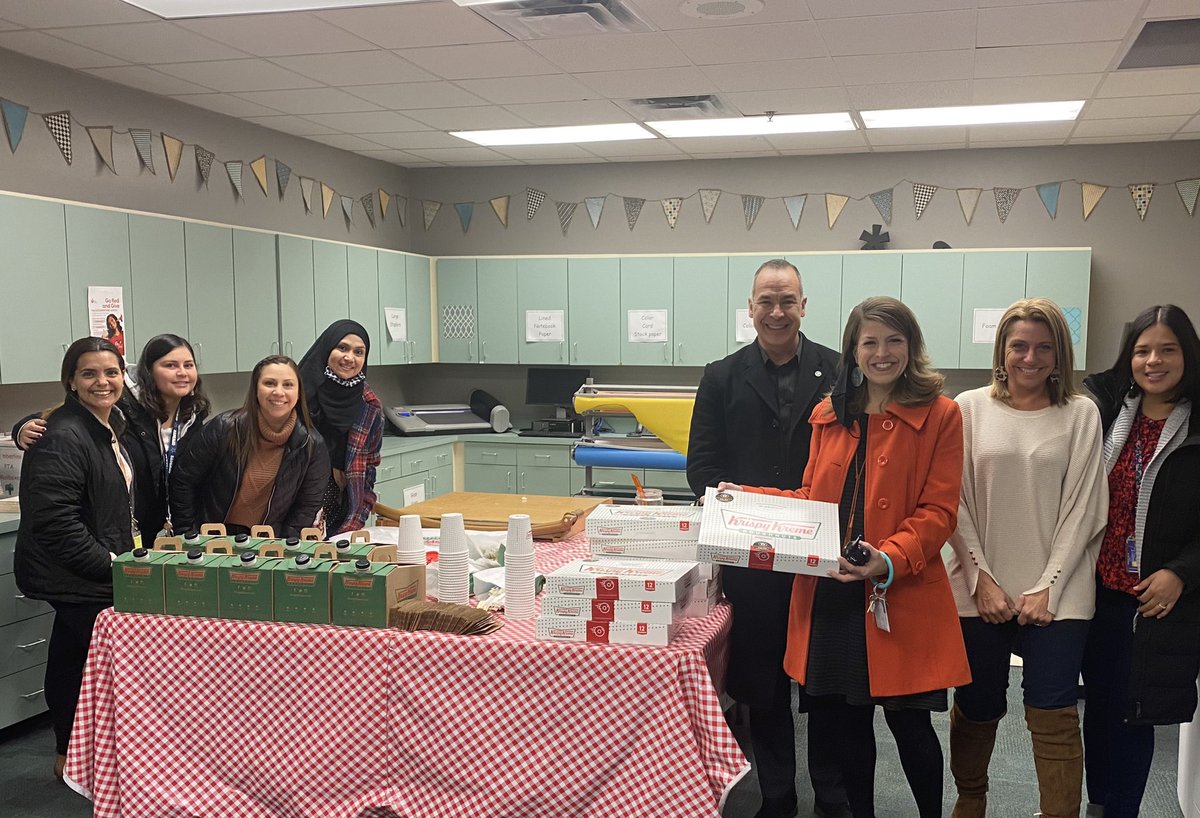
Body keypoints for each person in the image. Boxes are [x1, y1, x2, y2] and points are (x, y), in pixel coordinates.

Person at [722, 296, 969, 818]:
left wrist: (888, 558)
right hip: (832, 593)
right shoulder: (828, 416)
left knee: (911, 728)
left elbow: (939, 511)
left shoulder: (942, 414)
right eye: (870, 342)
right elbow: (811, 502)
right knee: (845, 727)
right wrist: (742, 499)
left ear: (912, 346)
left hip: (897, 594)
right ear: (853, 352)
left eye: (894, 340)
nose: (882, 353)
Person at [687, 258, 842, 818]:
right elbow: (702, 469)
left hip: (822, 555)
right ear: (750, 309)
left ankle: (832, 795)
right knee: (765, 685)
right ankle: (777, 796)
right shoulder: (721, 375)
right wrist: (757, 515)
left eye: (787, 300)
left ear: (804, 306)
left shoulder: (841, 371)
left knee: (826, 684)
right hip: (752, 558)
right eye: (766, 301)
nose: (777, 312)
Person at [945, 297, 1108, 818]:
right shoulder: (967, 408)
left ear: (1060, 356)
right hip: (979, 590)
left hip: (1059, 594)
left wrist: (1049, 586)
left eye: (1044, 347)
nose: (1030, 358)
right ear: (1002, 350)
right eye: (1019, 346)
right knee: (976, 705)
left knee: (1054, 707)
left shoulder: (1081, 414)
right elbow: (953, 501)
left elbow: (1084, 509)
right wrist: (982, 580)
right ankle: (971, 801)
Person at [1081, 305, 1200, 818]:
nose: (1153, 361)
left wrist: (1183, 572)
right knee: (1099, 707)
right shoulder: (1107, 412)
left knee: (1136, 713)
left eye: (1167, 350)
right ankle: (1100, 802)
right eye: (1143, 350)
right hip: (1097, 590)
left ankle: (1122, 810)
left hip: (1157, 599)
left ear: (1187, 355)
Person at [14, 338, 136, 780]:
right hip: (76, 571)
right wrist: (110, 565)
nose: (102, 382)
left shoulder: (107, 422)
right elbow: (55, 522)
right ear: (71, 380)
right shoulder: (65, 434)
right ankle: (77, 756)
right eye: (89, 373)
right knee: (81, 665)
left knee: (73, 655)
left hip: (94, 565)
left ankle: (70, 754)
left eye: (111, 372)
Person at [13, 334, 211, 547]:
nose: (181, 373)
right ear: (149, 371)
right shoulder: (122, 407)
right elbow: (65, 418)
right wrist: (22, 427)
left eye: (188, 365)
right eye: (170, 365)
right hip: (116, 530)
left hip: (164, 528)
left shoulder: (194, 415)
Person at [169, 355, 329, 538]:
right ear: (255, 389)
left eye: (288, 385)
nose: (278, 392)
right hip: (211, 540)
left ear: (299, 391)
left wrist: (284, 549)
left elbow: (306, 508)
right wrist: (188, 535)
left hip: (269, 544)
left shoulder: (312, 445)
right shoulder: (223, 428)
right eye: (269, 383)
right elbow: (183, 481)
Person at [297, 320, 384, 535]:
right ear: (327, 349)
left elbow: (370, 468)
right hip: (294, 514)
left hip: (343, 515)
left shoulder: (370, 407)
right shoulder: (297, 396)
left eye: (358, 352)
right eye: (342, 348)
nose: (349, 358)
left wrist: (359, 516)